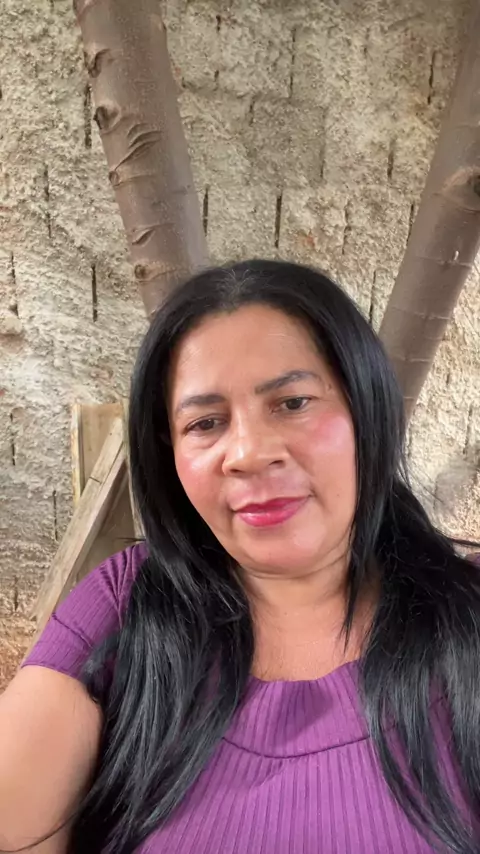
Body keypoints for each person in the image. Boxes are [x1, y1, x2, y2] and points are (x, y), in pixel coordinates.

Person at [1, 259, 479, 854]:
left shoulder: (467, 616)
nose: (249, 453)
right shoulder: (125, 604)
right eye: (206, 422)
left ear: (366, 409)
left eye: (293, 402)